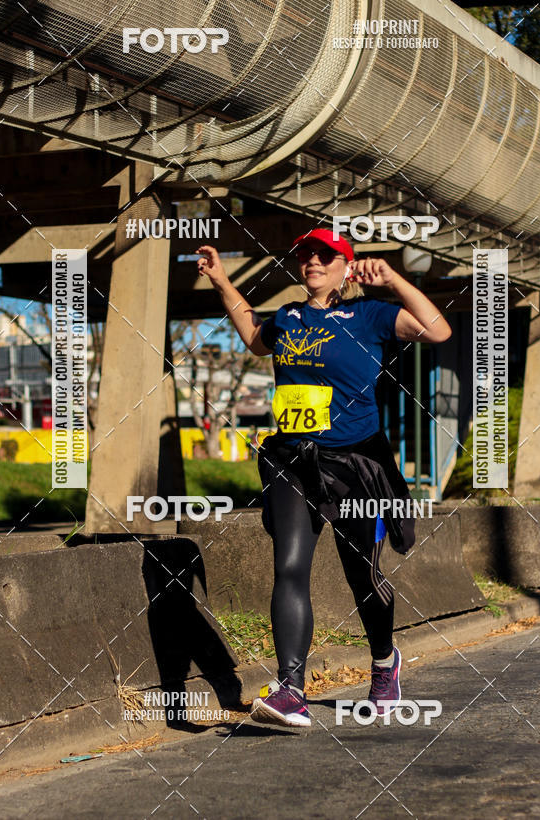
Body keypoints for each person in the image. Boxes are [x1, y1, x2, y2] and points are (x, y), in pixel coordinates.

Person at [196, 231, 451, 728]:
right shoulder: (290, 316)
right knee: (289, 566)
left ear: (345, 267)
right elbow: (252, 338)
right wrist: (222, 279)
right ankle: (291, 690)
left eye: (325, 255)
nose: (312, 261)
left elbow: (437, 331)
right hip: (294, 459)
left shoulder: (370, 315)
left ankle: (384, 662)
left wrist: (395, 280)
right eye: (305, 254)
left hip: (356, 464)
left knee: (362, 576)